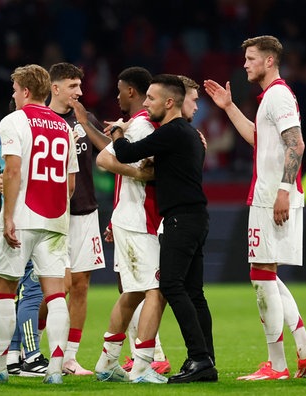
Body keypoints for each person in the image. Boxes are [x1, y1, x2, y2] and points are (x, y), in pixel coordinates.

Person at [203, 35, 306, 380]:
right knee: (265, 273)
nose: (245, 64)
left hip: (272, 196)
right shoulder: (271, 96)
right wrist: (229, 107)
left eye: (251, 58)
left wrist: (284, 189)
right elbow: (260, 138)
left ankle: (278, 364)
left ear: (269, 61)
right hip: (269, 193)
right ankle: (304, 348)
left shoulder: (279, 94)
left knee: (260, 274)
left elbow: (296, 142)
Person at [0, 64, 77, 385]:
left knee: (4, 289)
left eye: (15, 89)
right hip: (56, 218)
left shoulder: (13, 121)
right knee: (55, 294)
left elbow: (12, 170)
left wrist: (9, 216)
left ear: (26, 91)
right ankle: (54, 370)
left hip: (23, 217)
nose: (13, 95)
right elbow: (70, 185)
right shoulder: (64, 127)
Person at [109, 74, 216, 384]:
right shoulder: (189, 134)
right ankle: (205, 359)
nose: (145, 103)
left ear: (170, 103)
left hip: (180, 220)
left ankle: (198, 357)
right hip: (196, 217)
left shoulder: (172, 132)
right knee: (194, 293)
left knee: (170, 285)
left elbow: (126, 153)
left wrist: (118, 131)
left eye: (151, 99)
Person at [92, 66, 165, 383]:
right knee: (156, 289)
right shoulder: (141, 127)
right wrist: (141, 173)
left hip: (133, 217)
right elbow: (104, 160)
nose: (117, 95)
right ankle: (144, 364)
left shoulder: (138, 126)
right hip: (137, 219)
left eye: (120, 89)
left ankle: (107, 363)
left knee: (133, 292)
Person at [47, 62, 110, 376]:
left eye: (80, 86)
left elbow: (109, 153)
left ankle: (70, 357)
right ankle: (33, 350)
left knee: (81, 286)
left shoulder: (86, 120)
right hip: (52, 216)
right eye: (73, 86)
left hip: (86, 212)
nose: (80, 92)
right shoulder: (41, 121)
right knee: (58, 286)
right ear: (55, 88)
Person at [0, 132, 49, 377]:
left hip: (16, 217)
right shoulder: (33, 128)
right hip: (30, 219)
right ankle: (31, 355)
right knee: (31, 292)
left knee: (13, 291)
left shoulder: (9, 133)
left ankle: (11, 356)